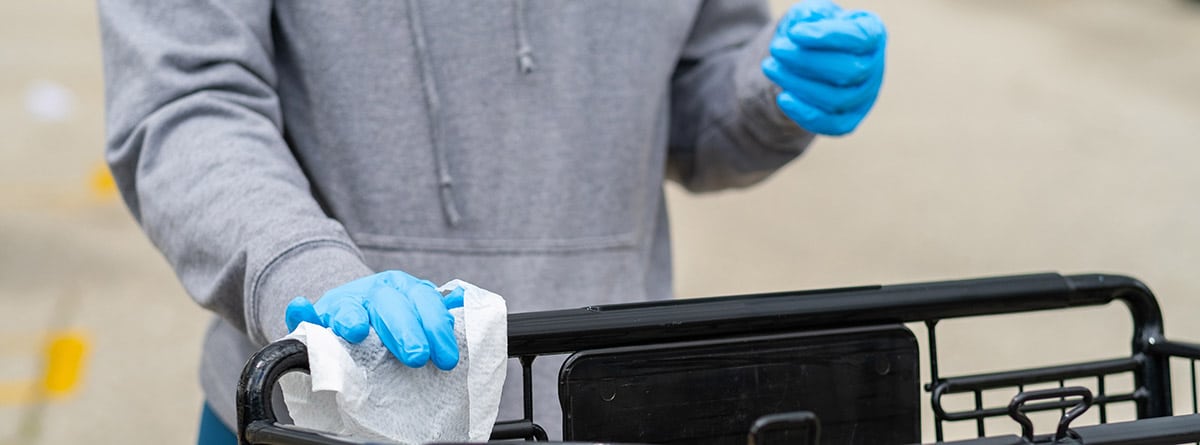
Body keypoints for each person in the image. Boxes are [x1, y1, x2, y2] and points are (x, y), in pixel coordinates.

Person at [98, 0, 885, 443]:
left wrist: (769, 93)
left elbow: (688, 102)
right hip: (332, 411)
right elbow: (187, 103)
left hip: (606, 407)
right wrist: (303, 270)